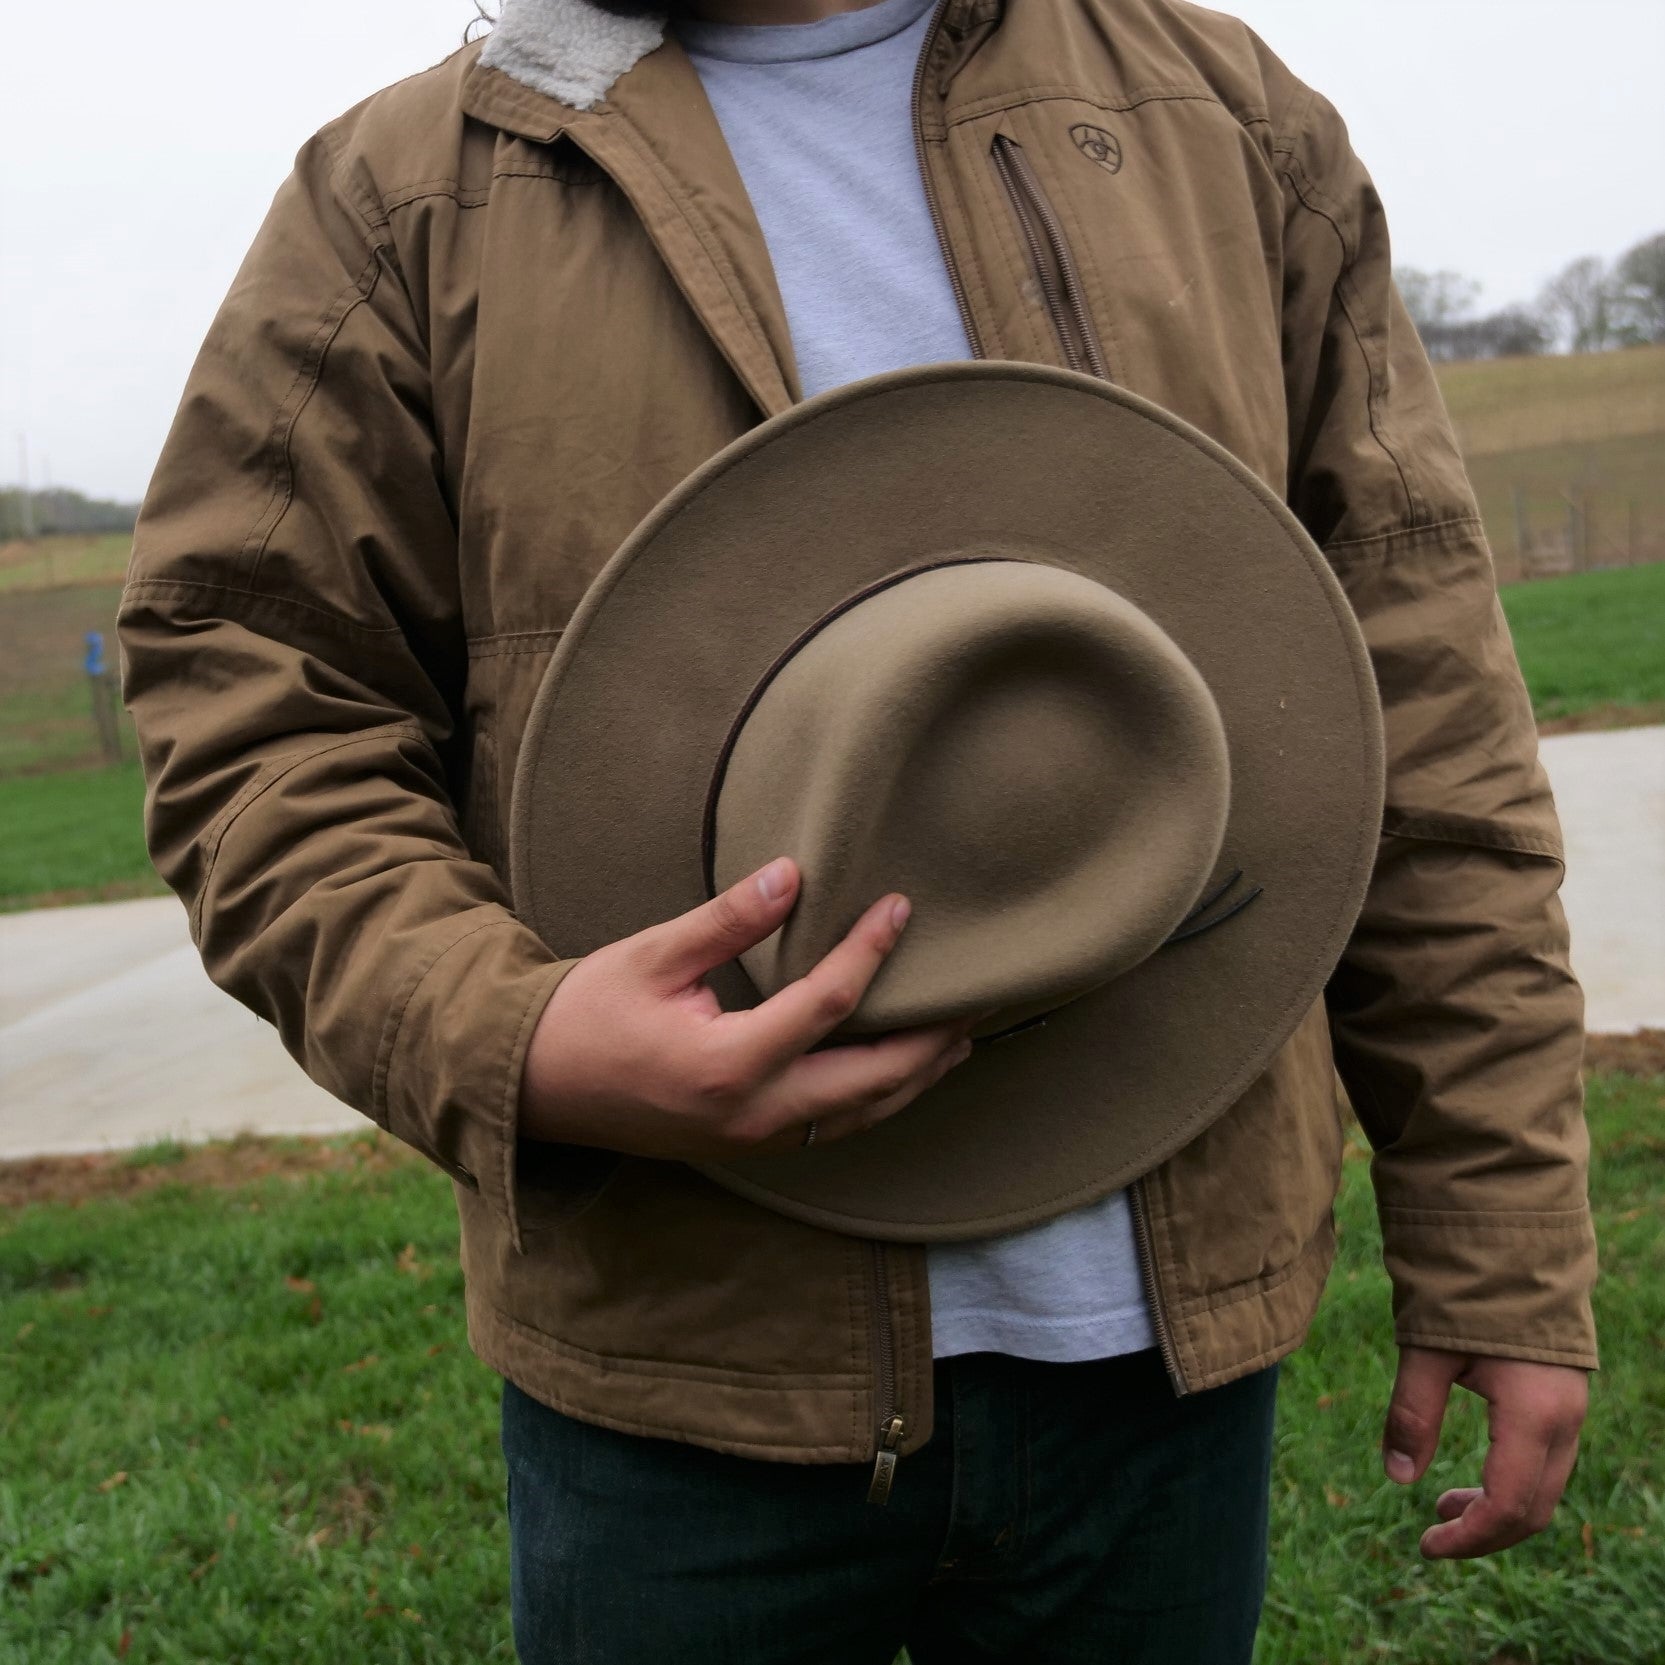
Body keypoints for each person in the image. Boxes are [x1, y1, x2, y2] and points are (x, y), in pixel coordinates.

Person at [117, 0, 1598, 1658]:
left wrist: (1497, 1240)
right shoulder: (410, 196)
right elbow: (253, 703)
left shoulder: (1223, 119)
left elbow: (1423, 718)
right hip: (678, 1381)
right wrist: (517, 1038)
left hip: (1158, 1385)